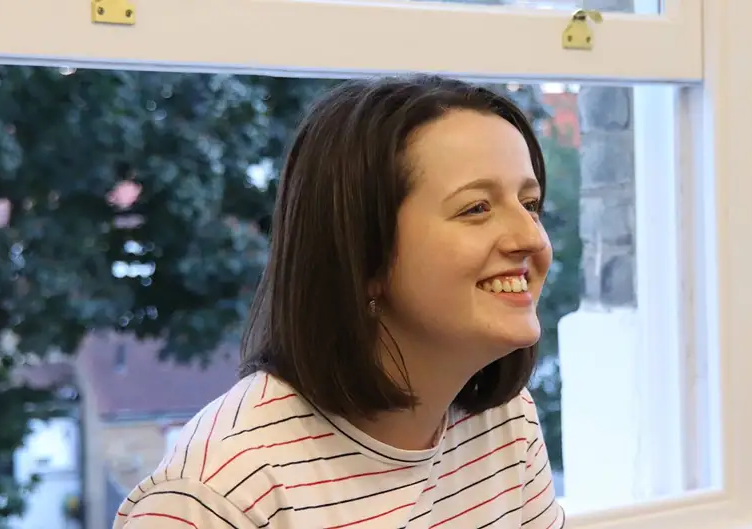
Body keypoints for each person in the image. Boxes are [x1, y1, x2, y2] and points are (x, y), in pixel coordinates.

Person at [113, 74, 564, 528]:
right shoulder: (218, 495)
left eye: (529, 203)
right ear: (363, 257)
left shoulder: (505, 422)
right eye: (476, 208)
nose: (531, 237)